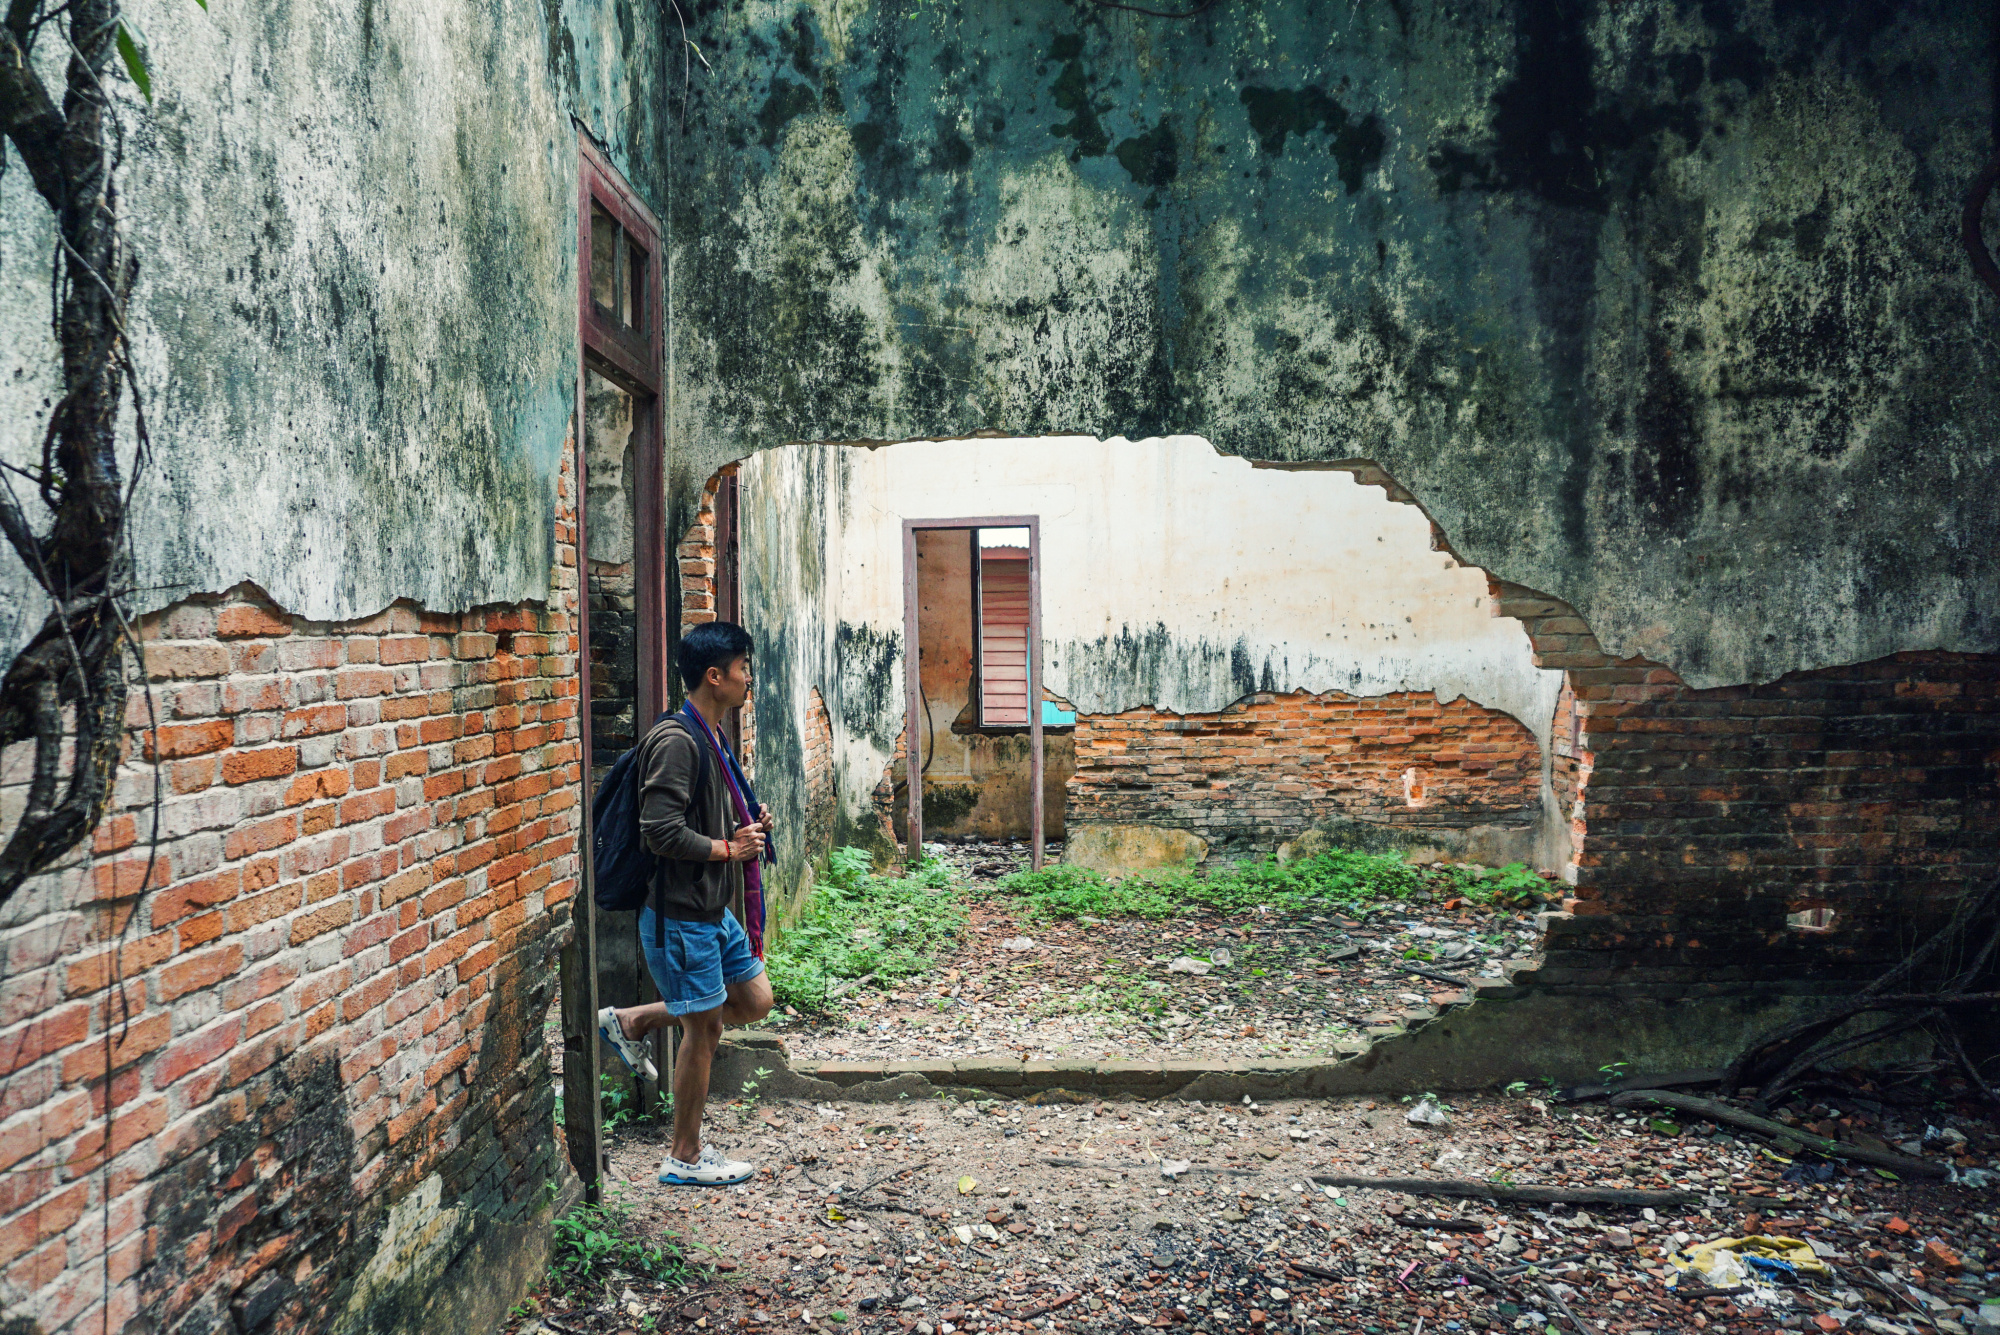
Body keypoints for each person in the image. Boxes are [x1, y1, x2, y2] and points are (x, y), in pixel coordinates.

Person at [594, 621, 775, 1186]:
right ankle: (684, 1157)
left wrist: (747, 823)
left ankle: (635, 1019)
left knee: (753, 999)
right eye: (743, 668)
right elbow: (660, 831)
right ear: (714, 676)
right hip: (680, 915)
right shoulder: (678, 740)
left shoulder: (711, 734)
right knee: (705, 1030)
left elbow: (697, 815)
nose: (750, 679)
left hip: (711, 911)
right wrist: (729, 846)